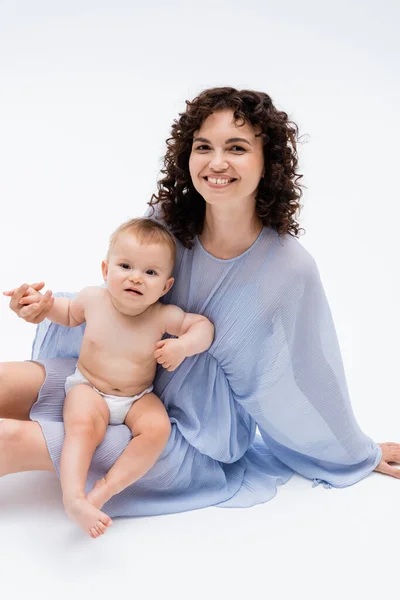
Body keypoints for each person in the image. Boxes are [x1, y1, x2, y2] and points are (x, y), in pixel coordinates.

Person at [1, 87, 399, 524]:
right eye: (203, 147)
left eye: (237, 148)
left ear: (268, 164)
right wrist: (44, 306)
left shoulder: (288, 268)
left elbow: (308, 373)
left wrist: (355, 451)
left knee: (10, 438)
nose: (216, 162)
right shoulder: (168, 221)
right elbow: (119, 299)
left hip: (181, 434)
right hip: (113, 377)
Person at [3, 217, 214, 537]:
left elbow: (204, 328)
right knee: (84, 426)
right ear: (106, 270)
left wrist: (183, 346)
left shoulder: (162, 315)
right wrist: (37, 304)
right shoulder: (94, 300)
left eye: (150, 272)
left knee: (157, 429)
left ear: (166, 286)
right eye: (126, 266)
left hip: (137, 397)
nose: (136, 278)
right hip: (88, 386)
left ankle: (106, 489)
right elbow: (64, 311)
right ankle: (74, 496)